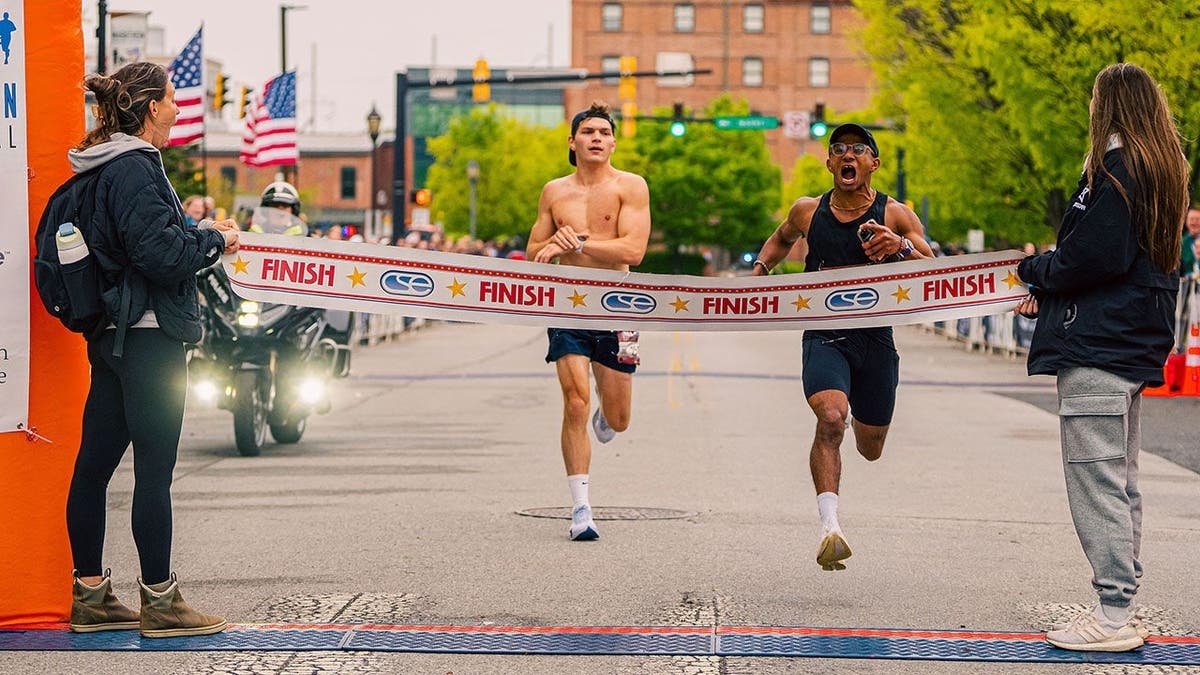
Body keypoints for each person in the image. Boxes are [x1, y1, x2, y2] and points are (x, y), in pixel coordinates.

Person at [1015, 63, 1189, 653]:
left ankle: (1113, 612)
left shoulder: (1117, 169)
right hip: (1131, 336)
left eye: (1095, 99)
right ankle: (1122, 601)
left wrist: (1035, 271)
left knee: (1095, 480)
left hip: (1098, 343)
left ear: (1107, 105)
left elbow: (1093, 255)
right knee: (1121, 479)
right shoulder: (1162, 169)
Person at [64, 61, 239, 638]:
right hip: (149, 337)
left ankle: (89, 596)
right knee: (154, 474)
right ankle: (161, 602)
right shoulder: (136, 168)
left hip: (111, 337)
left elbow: (142, 242)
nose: (178, 109)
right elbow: (160, 256)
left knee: (93, 470)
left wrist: (196, 232)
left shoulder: (97, 167)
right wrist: (215, 238)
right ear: (147, 110)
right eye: (170, 100)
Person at [750, 123, 933, 570]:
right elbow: (780, 240)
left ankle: (858, 432)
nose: (847, 155)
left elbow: (933, 267)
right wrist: (759, 270)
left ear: (873, 163)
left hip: (875, 340)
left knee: (870, 448)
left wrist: (901, 245)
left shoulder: (895, 214)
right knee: (832, 418)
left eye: (858, 150)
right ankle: (830, 527)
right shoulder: (808, 211)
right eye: (838, 150)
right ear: (830, 163)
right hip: (824, 335)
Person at [526, 102, 651, 541]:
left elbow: (632, 251)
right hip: (567, 306)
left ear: (613, 142)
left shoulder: (630, 187)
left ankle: (608, 419)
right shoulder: (554, 191)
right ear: (572, 142)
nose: (596, 137)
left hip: (617, 306)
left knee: (618, 418)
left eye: (604, 132)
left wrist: (576, 241)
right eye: (588, 131)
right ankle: (581, 508)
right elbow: (533, 251)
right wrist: (552, 245)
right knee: (575, 401)